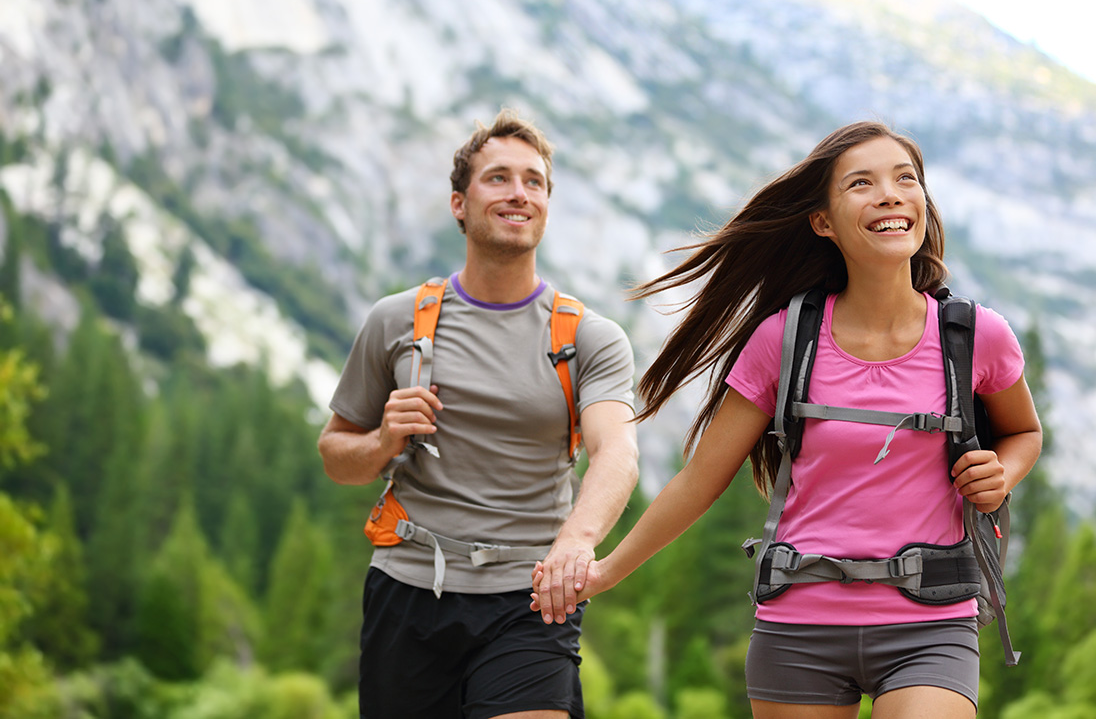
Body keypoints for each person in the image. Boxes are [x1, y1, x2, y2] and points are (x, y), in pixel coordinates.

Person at [532, 121, 1042, 718]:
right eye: (861, 183)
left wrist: (1002, 473)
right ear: (822, 222)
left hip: (931, 623)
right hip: (800, 625)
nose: (890, 194)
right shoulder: (785, 339)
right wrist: (606, 571)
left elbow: (1024, 433)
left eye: (906, 180)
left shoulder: (977, 336)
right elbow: (702, 478)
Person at [319, 108, 639, 719]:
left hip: (531, 596)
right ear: (459, 203)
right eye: (498, 178)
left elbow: (618, 454)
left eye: (535, 181)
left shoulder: (589, 337)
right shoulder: (397, 321)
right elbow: (337, 457)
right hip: (407, 588)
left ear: (546, 204)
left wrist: (577, 541)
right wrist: (383, 439)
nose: (519, 193)